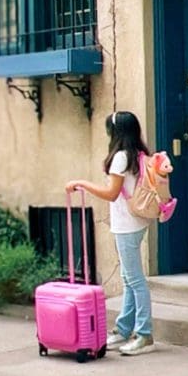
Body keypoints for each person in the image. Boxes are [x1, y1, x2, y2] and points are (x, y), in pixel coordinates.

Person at [65, 110, 154, 356]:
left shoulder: (120, 157)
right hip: (137, 222)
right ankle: (124, 329)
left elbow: (111, 193)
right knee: (128, 278)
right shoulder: (138, 154)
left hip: (126, 224)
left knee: (135, 280)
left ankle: (144, 334)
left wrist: (82, 183)